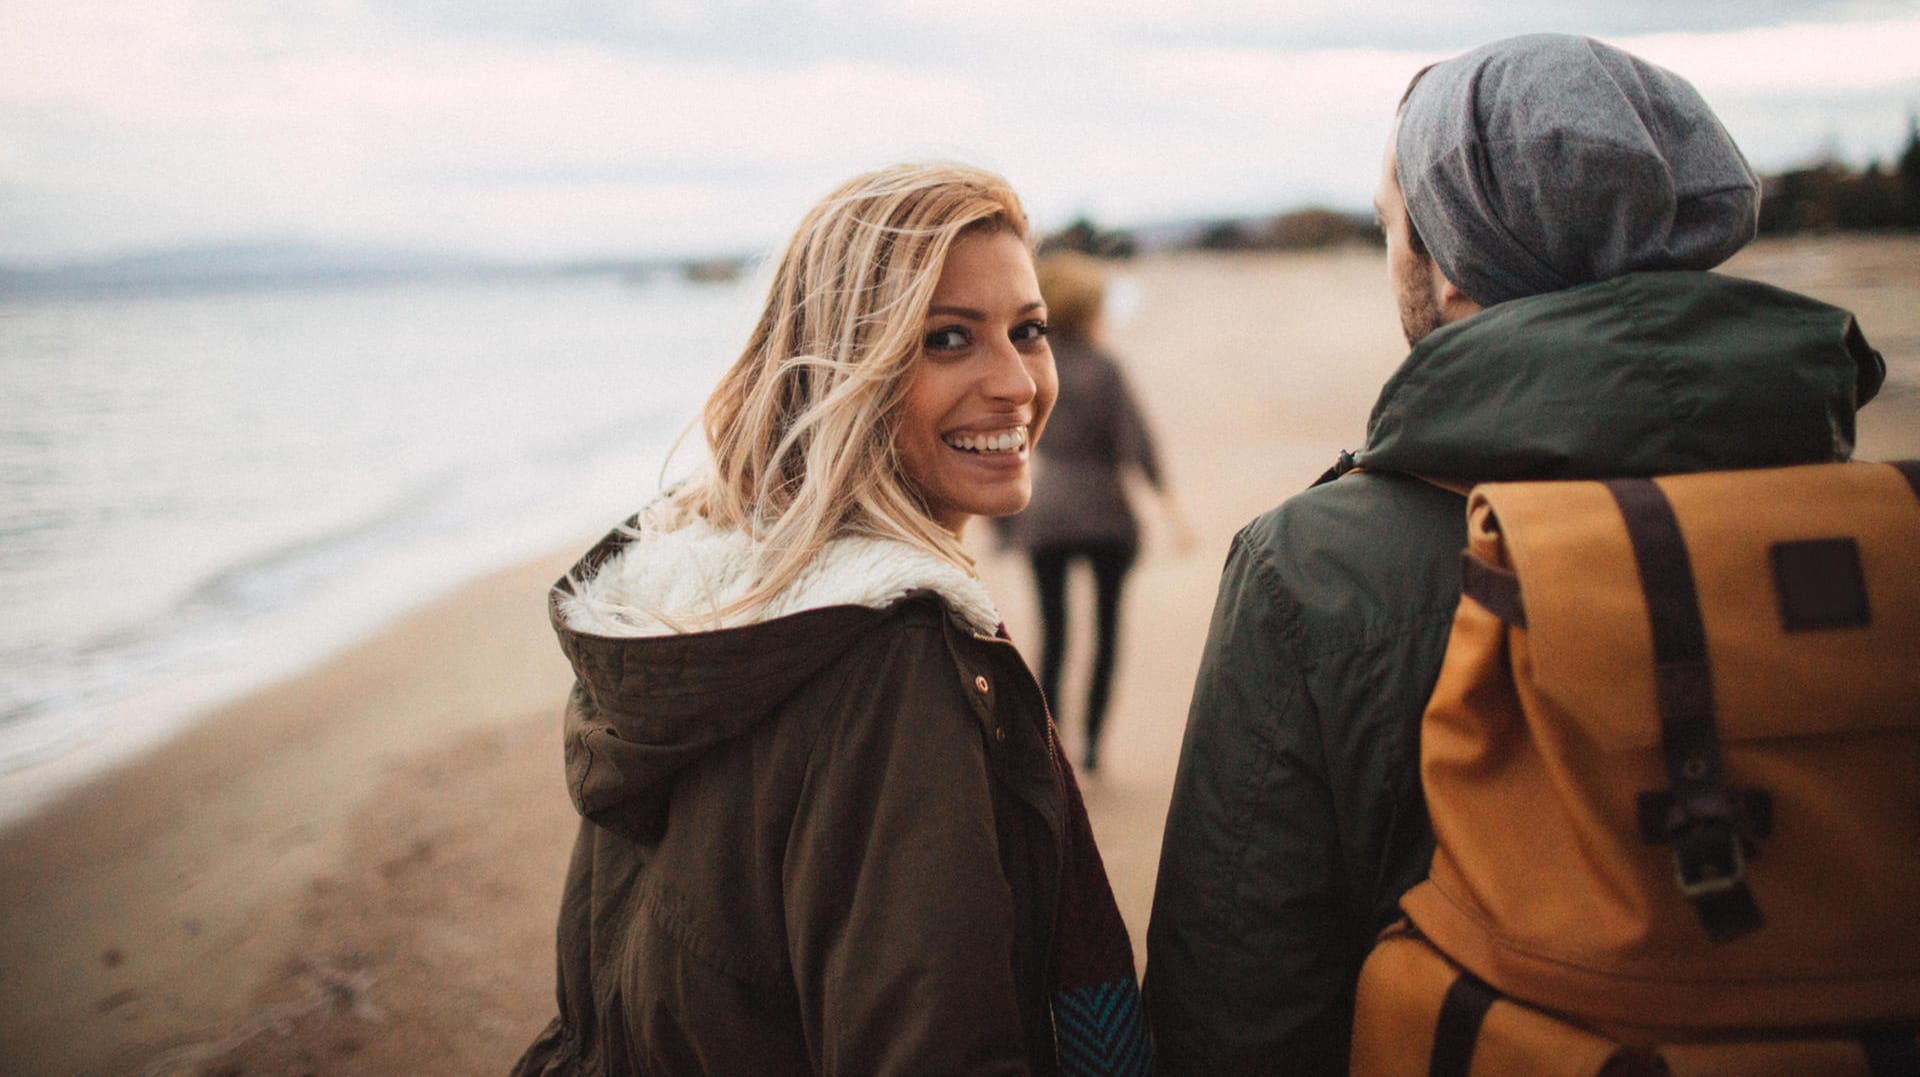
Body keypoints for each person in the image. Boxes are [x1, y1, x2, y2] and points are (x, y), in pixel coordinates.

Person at [1144, 33, 1886, 1075]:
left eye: (1393, 227)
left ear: (1449, 266)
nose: (1394, 255)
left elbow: (1238, 1001)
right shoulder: (1871, 527)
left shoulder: (1312, 568)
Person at [513, 162, 1152, 1076]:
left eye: (1029, 331)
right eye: (946, 339)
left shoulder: (702, 618)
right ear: (848, 366)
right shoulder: (893, 663)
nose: (1015, 382)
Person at [996, 252, 1189, 772]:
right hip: (1106, 513)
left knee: (1053, 635)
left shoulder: (1028, 363)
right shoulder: (1105, 368)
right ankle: (1094, 749)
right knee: (1107, 632)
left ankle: (1050, 747)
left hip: (1048, 510)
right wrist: (1172, 512)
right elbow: (1137, 444)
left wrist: (1001, 524)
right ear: (1087, 308)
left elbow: (1001, 437)